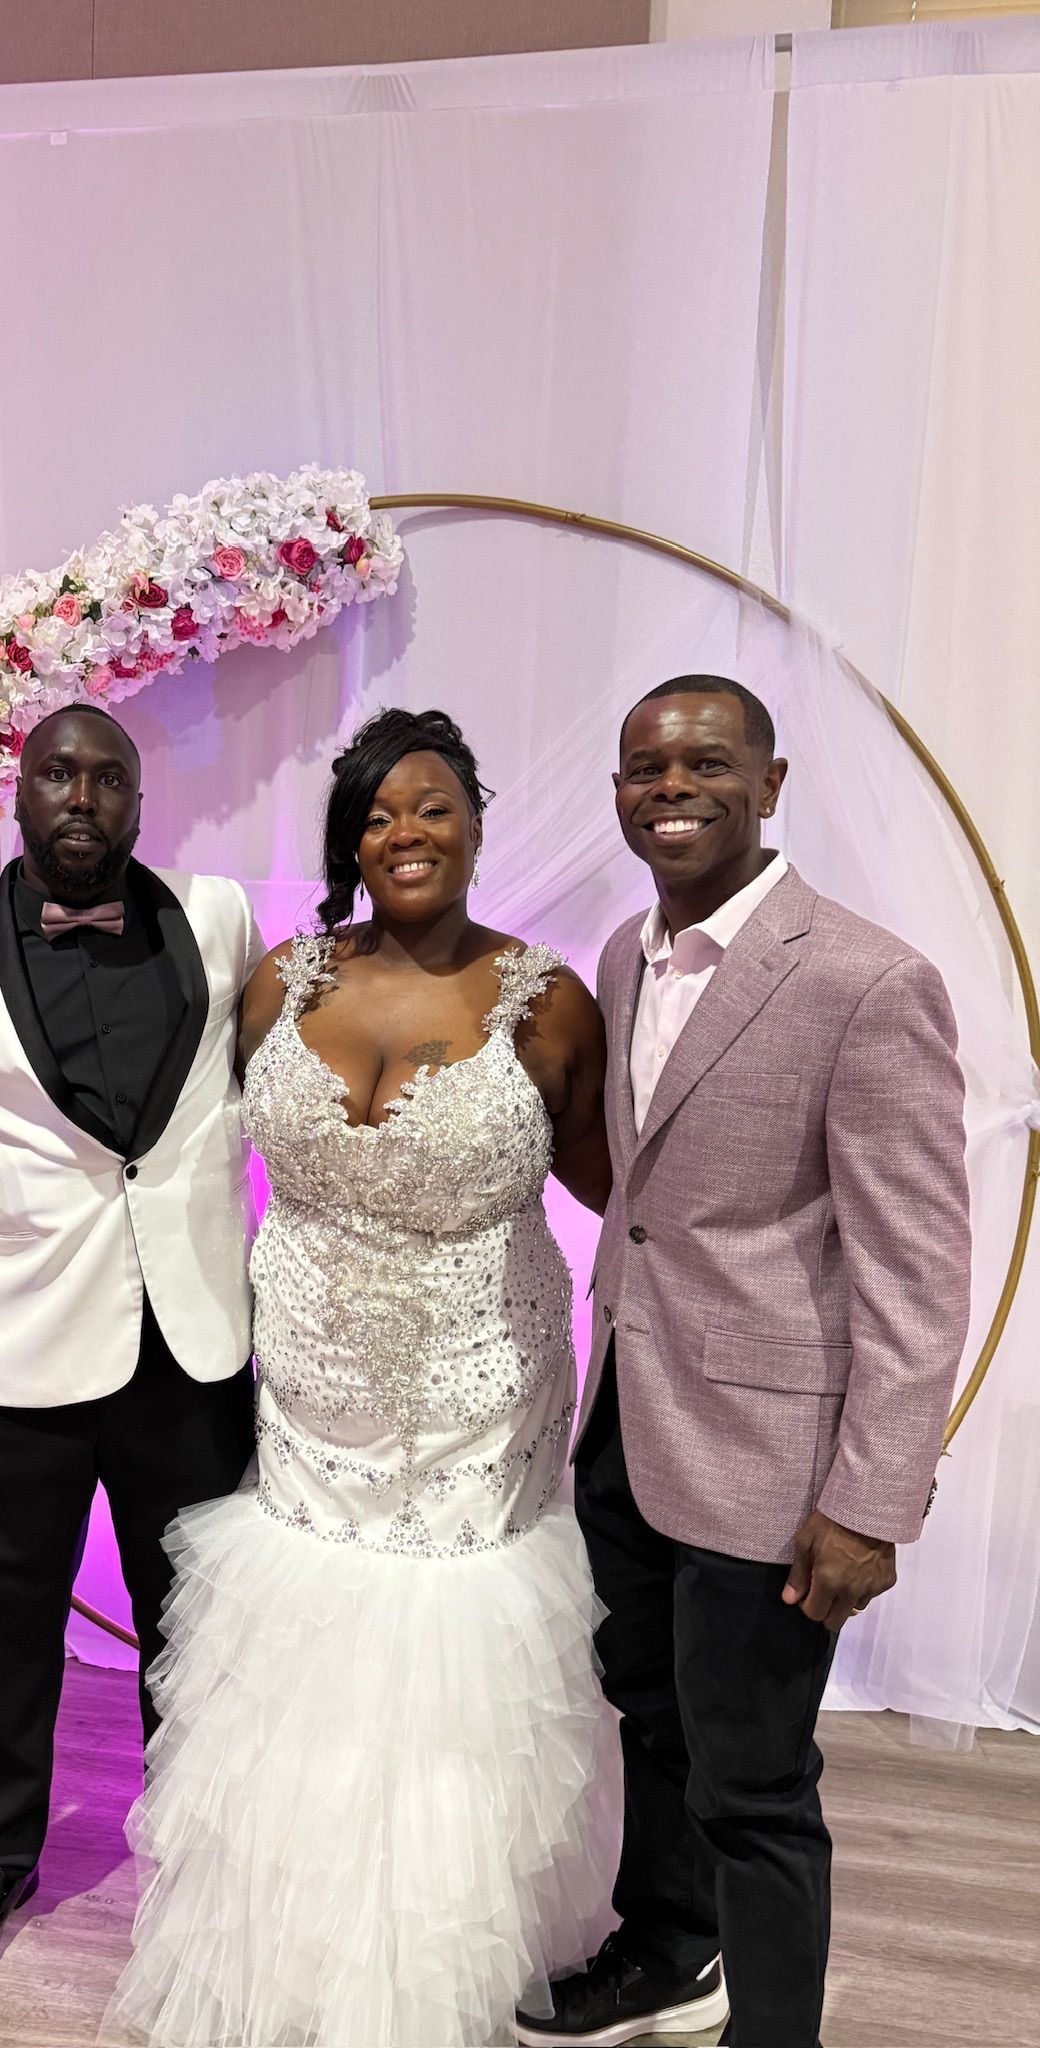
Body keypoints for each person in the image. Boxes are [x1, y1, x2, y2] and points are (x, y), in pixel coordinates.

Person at [109, 707, 618, 2048]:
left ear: (477, 823)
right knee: (309, 1661)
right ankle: (296, 1941)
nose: (407, 834)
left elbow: (618, 1188)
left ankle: (443, 1972)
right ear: (350, 841)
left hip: (477, 1389)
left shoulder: (551, 1000)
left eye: (433, 806)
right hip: (308, 1379)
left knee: (457, 1674)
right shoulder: (285, 981)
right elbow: (180, 1155)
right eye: (379, 814)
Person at [516, 678, 971, 2048]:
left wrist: (873, 1504)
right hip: (629, 1426)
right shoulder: (617, 955)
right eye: (646, 767)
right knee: (651, 1720)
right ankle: (668, 1950)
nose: (674, 788)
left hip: (776, 1470)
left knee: (757, 1783)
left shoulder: (866, 980)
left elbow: (916, 1268)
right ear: (617, 795)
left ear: (771, 785)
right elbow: (648, 1194)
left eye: (708, 764)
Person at [0, 702, 263, 2014]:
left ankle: (207, 1861)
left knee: (201, 1632)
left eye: (109, 776)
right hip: (15, 1358)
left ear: (141, 802)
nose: (84, 796)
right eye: (59, 773)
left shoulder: (219, 921)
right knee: (11, 1632)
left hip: (197, 1346)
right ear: (20, 796)